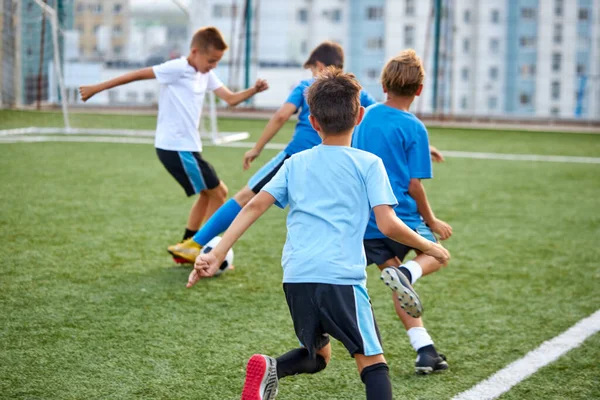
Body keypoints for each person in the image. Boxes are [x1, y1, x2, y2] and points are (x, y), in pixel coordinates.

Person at [188, 68, 451, 400]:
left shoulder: (295, 162)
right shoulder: (369, 164)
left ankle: (273, 367)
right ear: (359, 116)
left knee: (317, 355)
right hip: (341, 277)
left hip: (297, 277)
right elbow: (387, 224)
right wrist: (432, 247)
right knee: (374, 364)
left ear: (312, 122)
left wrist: (215, 251)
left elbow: (253, 207)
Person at [167, 41, 443, 263]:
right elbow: (384, 116)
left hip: (297, 157)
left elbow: (279, 116)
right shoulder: (352, 91)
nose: (311, 73)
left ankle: (196, 244)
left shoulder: (305, 87)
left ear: (320, 65)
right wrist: (417, 146)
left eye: (312, 67)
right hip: (335, 159)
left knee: (246, 197)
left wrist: (257, 147)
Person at [79, 27, 268, 251]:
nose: (214, 65)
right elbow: (137, 74)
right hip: (175, 147)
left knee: (209, 195)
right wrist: (95, 88)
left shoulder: (205, 73)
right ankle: (200, 247)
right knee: (219, 192)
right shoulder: (177, 67)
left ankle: (187, 244)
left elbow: (231, 99)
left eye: (217, 61)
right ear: (195, 52)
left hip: (187, 147)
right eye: (211, 60)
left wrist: (253, 91)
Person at [352, 49, 453, 375]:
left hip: (369, 220)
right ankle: (410, 273)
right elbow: (414, 186)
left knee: (395, 279)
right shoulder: (414, 127)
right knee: (436, 256)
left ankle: (425, 350)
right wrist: (431, 220)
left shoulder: (365, 116)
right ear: (419, 90)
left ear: (383, 84)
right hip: (401, 219)